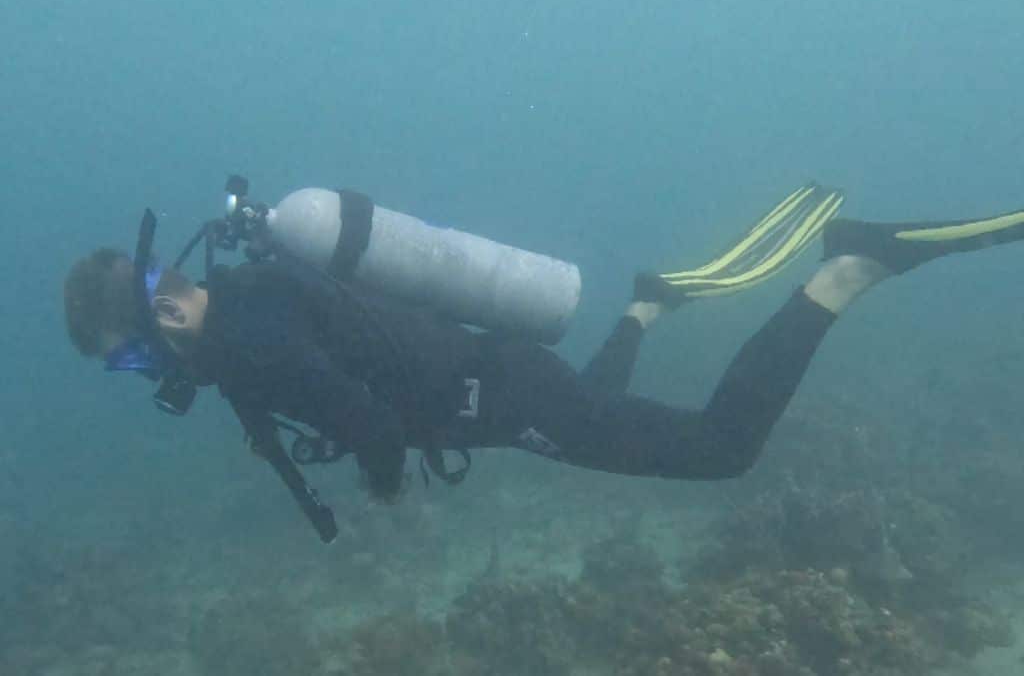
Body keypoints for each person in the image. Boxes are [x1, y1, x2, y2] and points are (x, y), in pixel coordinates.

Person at [63, 183, 1024, 540]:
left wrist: (387, 485)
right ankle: (646, 303)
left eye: (125, 363)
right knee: (587, 409)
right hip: (502, 372)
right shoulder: (249, 300)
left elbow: (369, 425)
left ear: (155, 316)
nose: (140, 378)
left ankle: (843, 270)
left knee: (719, 448)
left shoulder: (247, 339)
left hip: (497, 389)